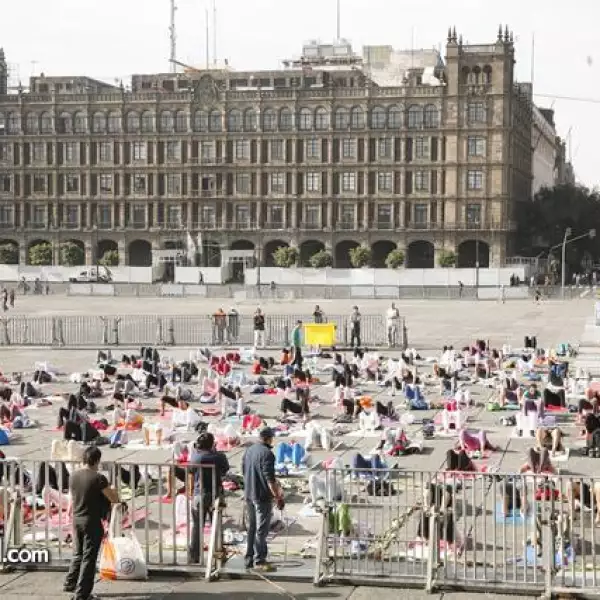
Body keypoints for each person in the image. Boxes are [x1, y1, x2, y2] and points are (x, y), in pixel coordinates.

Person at [64, 446, 120, 600]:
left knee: (78, 554)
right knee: (89, 558)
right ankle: (82, 594)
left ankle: (70, 582)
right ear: (96, 460)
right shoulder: (98, 478)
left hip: (77, 519)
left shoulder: (73, 476)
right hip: (91, 521)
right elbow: (113, 498)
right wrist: (114, 490)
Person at [242, 427, 284, 572]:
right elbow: (269, 479)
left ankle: (249, 558)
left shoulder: (249, 450)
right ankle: (260, 559)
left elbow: (244, 471)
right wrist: (278, 497)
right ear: (268, 438)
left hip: (249, 493)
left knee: (252, 528)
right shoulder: (267, 454)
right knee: (261, 529)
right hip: (261, 496)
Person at [188, 432, 230, 563]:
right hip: (214, 494)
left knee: (196, 526)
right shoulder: (218, 457)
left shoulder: (195, 456)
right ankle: (218, 554)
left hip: (198, 494)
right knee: (216, 525)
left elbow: (190, 472)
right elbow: (225, 469)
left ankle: (194, 556)